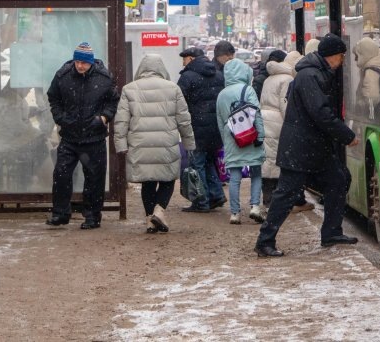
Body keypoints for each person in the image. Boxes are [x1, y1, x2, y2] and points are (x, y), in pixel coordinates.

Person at [255, 34, 359, 258]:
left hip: (314, 147)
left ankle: (331, 232)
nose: (342, 61)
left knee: (339, 179)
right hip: (301, 148)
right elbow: (321, 113)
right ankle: (265, 241)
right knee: (286, 194)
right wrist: (347, 135)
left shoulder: (316, 73)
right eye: (341, 56)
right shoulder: (309, 76)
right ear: (332, 56)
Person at [114, 55, 195, 233]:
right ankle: (159, 210)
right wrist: (189, 143)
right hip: (166, 143)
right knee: (168, 178)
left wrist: (121, 145)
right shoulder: (173, 89)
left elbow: (121, 121)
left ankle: (150, 219)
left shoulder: (129, 89)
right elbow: (184, 119)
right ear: (162, 69)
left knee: (147, 182)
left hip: (140, 144)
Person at [45, 42, 119, 229]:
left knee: (94, 179)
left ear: (91, 62)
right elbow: (53, 97)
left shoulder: (104, 78)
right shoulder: (63, 76)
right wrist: (60, 118)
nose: (80, 66)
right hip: (69, 136)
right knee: (61, 175)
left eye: (84, 63)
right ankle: (60, 213)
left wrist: (103, 118)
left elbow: (113, 101)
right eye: (77, 61)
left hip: (94, 137)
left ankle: (93, 216)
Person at [177, 46, 227, 213]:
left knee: (196, 164)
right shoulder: (218, 74)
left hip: (196, 127)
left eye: (184, 58)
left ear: (191, 59)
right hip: (215, 127)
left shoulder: (187, 77)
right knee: (209, 161)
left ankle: (201, 201)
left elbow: (179, 102)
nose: (183, 62)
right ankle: (216, 195)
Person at [216, 58, 266, 225]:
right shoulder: (248, 89)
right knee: (256, 172)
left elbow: (220, 120)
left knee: (234, 176)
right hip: (250, 134)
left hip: (232, 137)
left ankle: (235, 213)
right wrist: (260, 135)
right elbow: (256, 114)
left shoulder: (222, 94)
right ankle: (254, 207)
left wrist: (226, 141)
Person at [259, 50, 310, 209]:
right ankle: (281, 202)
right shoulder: (287, 79)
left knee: (268, 159)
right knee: (281, 161)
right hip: (278, 123)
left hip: (265, 120)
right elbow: (286, 106)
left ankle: (268, 198)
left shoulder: (270, 78)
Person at [352, 37, 380, 121]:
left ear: (364, 54)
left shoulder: (370, 71)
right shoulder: (378, 64)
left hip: (372, 117)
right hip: (379, 114)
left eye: (357, 56)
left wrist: (360, 105)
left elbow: (372, 97)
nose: (355, 59)